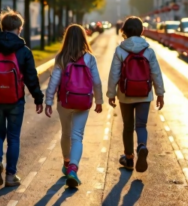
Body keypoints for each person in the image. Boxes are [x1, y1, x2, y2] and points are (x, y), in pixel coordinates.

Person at [0, 9, 44, 187]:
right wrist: (38, 98)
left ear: (2, 27)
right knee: (13, 137)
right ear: (19, 29)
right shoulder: (24, 51)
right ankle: (10, 176)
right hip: (16, 101)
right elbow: (31, 77)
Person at [44, 24, 103, 188]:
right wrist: (99, 101)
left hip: (65, 101)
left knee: (66, 133)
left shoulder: (61, 57)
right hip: (83, 102)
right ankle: (73, 169)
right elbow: (97, 82)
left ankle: (66, 161)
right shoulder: (90, 58)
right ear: (84, 38)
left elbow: (54, 82)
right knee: (78, 136)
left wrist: (48, 101)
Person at [107, 16, 165, 173]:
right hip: (144, 94)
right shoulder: (149, 51)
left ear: (124, 31)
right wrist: (160, 93)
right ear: (141, 31)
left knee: (127, 126)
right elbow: (156, 74)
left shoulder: (120, 50)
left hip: (125, 94)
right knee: (141, 125)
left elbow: (114, 74)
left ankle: (129, 158)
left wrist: (111, 93)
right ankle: (141, 146)